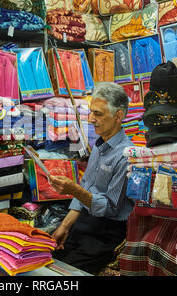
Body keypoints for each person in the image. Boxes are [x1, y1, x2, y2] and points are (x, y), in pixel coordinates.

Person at [49, 82, 135, 274]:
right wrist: (64, 226)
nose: (90, 119)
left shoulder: (126, 155)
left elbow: (110, 209)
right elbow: (86, 185)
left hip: (105, 233)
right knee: (45, 260)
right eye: (91, 112)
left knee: (65, 274)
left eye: (98, 114)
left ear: (119, 116)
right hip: (84, 224)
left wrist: (74, 190)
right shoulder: (98, 145)